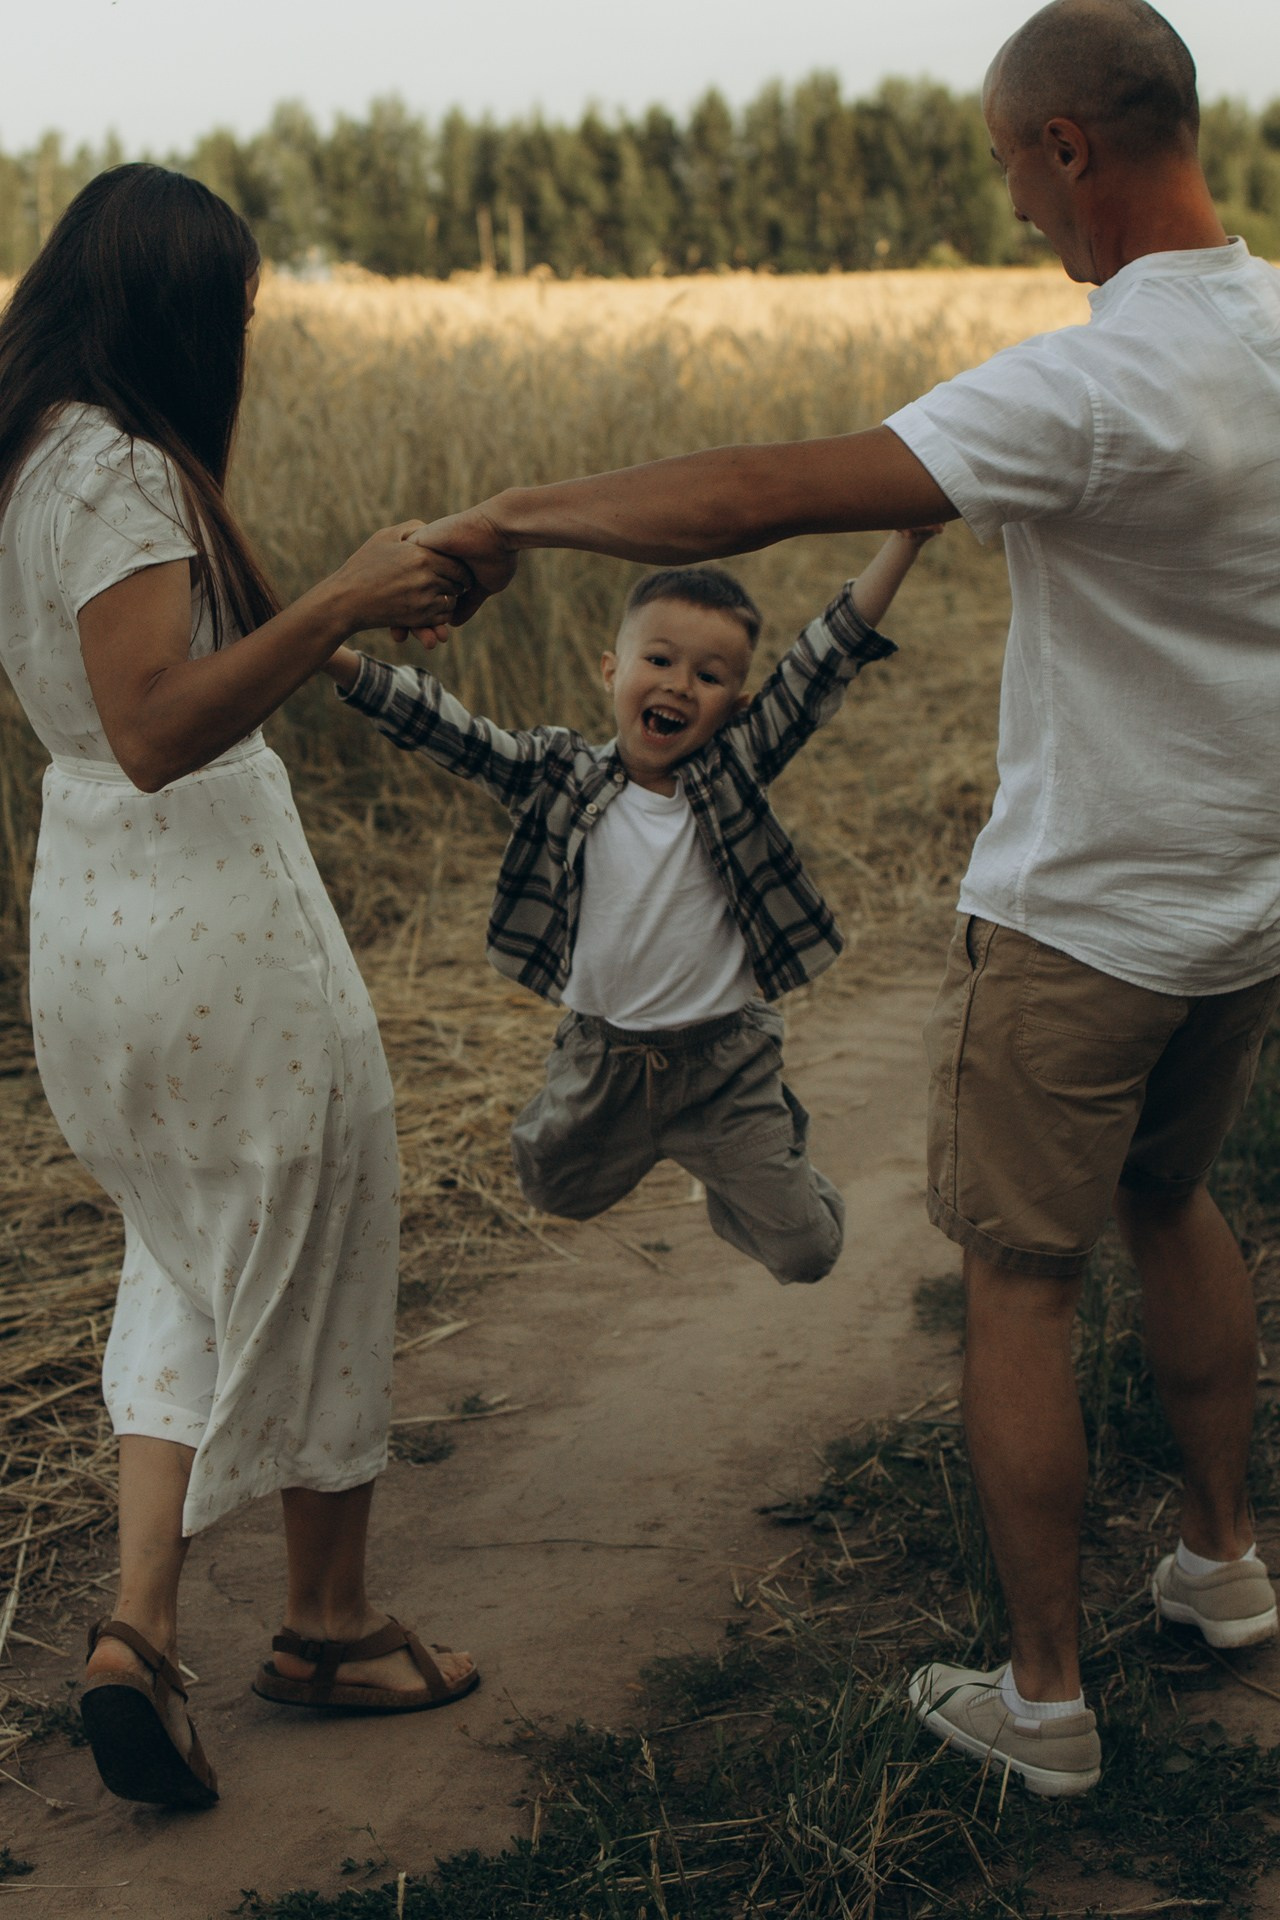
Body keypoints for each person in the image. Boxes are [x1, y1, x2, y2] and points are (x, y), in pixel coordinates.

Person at [405, 0, 1280, 1798]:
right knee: (1174, 1198)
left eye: (1008, 171)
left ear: (1067, 151)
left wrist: (519, 513)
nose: (1020, 212)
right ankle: (1223, 1563)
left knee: (1021, 1279)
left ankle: (1044, 1701)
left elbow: (762, 491)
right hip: (1247, 906)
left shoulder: (1099, 376)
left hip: (1087, 920)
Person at [0, 165, 477, 1812]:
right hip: (207, 917)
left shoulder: (41, 458)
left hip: (92, 931)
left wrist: (343, 613)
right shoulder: (125, 469)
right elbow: (157, 726)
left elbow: (167, 663)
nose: (250, 336)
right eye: (240, 311)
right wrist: (343, 594)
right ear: (178, 314)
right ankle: (328, 1622)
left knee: (186, 1252)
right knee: (324, 1220)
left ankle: (137, 1630)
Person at [326, 536, 933, 1282]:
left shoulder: (734, 771)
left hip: (723, 1066)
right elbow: (448, 730)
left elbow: (823, 658)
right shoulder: (556, 777)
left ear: (737, 708)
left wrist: (905, 541)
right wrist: (328, 652)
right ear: (611, 671)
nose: (680, 685)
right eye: (660, 661)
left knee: (808, 1253)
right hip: (603, 1058)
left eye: (709, 676)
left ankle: (741, 1168)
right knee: (553, 1189)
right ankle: (660, 1141)